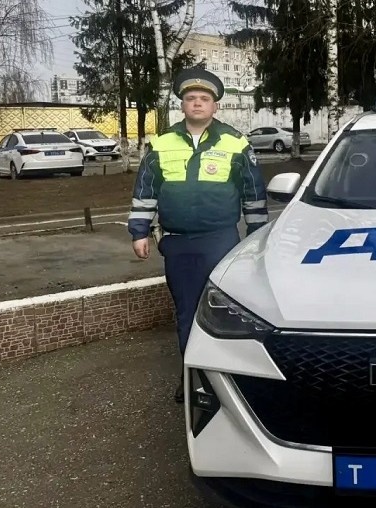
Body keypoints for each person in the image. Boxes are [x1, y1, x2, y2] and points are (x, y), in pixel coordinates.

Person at [127, 67, 270, 403]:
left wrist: (257, 237)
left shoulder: (235, 142)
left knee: (227, 311)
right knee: (187, 312)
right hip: (179, 243)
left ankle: (228, 378)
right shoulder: (161, 143)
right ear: (182, 105)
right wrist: (139, 231)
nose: (197, 103)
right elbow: (145, 191)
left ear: (215, 105)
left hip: (221, 241)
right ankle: (193, 377)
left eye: (204, 98)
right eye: (191, 98)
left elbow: (253, 193)